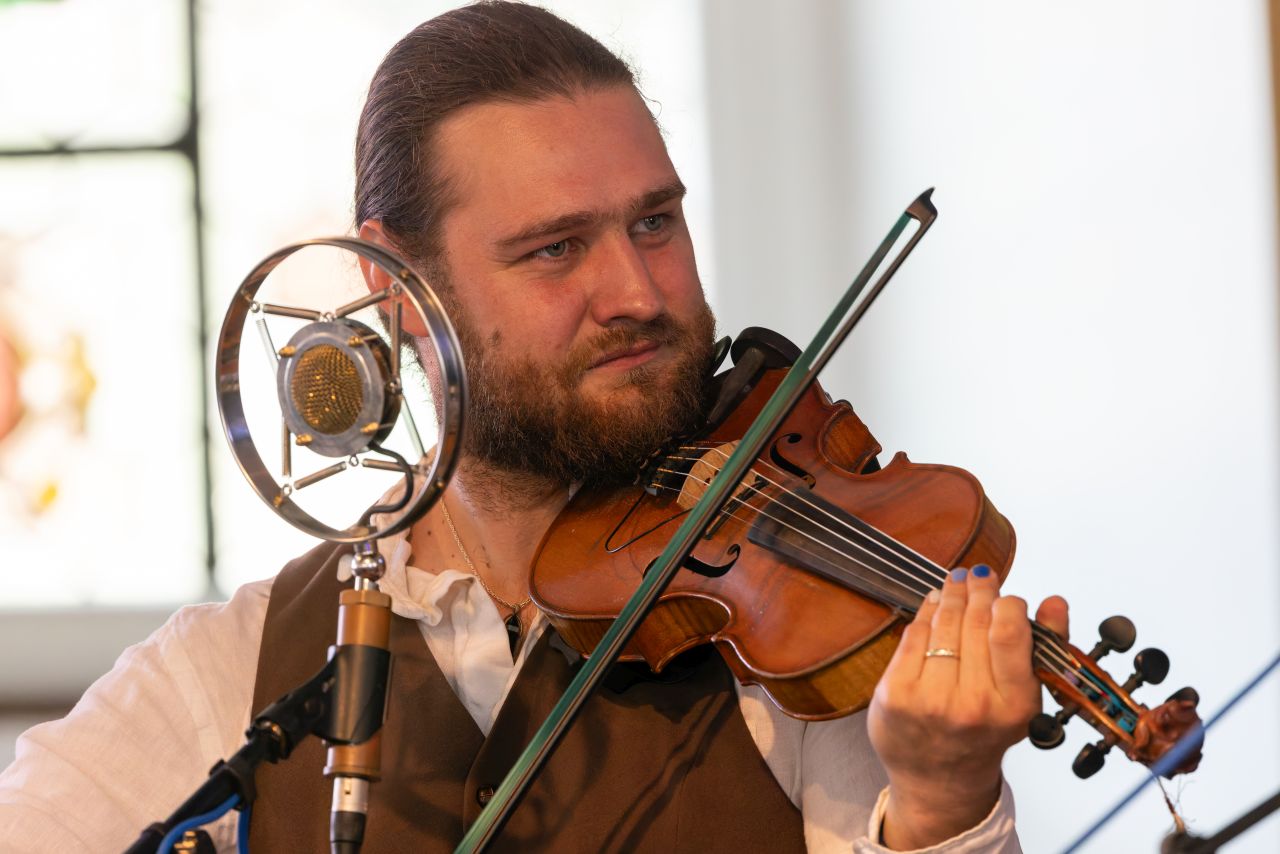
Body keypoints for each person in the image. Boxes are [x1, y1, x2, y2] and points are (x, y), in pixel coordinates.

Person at [0, 3, 1069, 851]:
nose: (638, 292)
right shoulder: (228, 672)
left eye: (655, 221)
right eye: (557, 248)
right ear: (397, 286)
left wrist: (943, 801)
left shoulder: (784, 638)